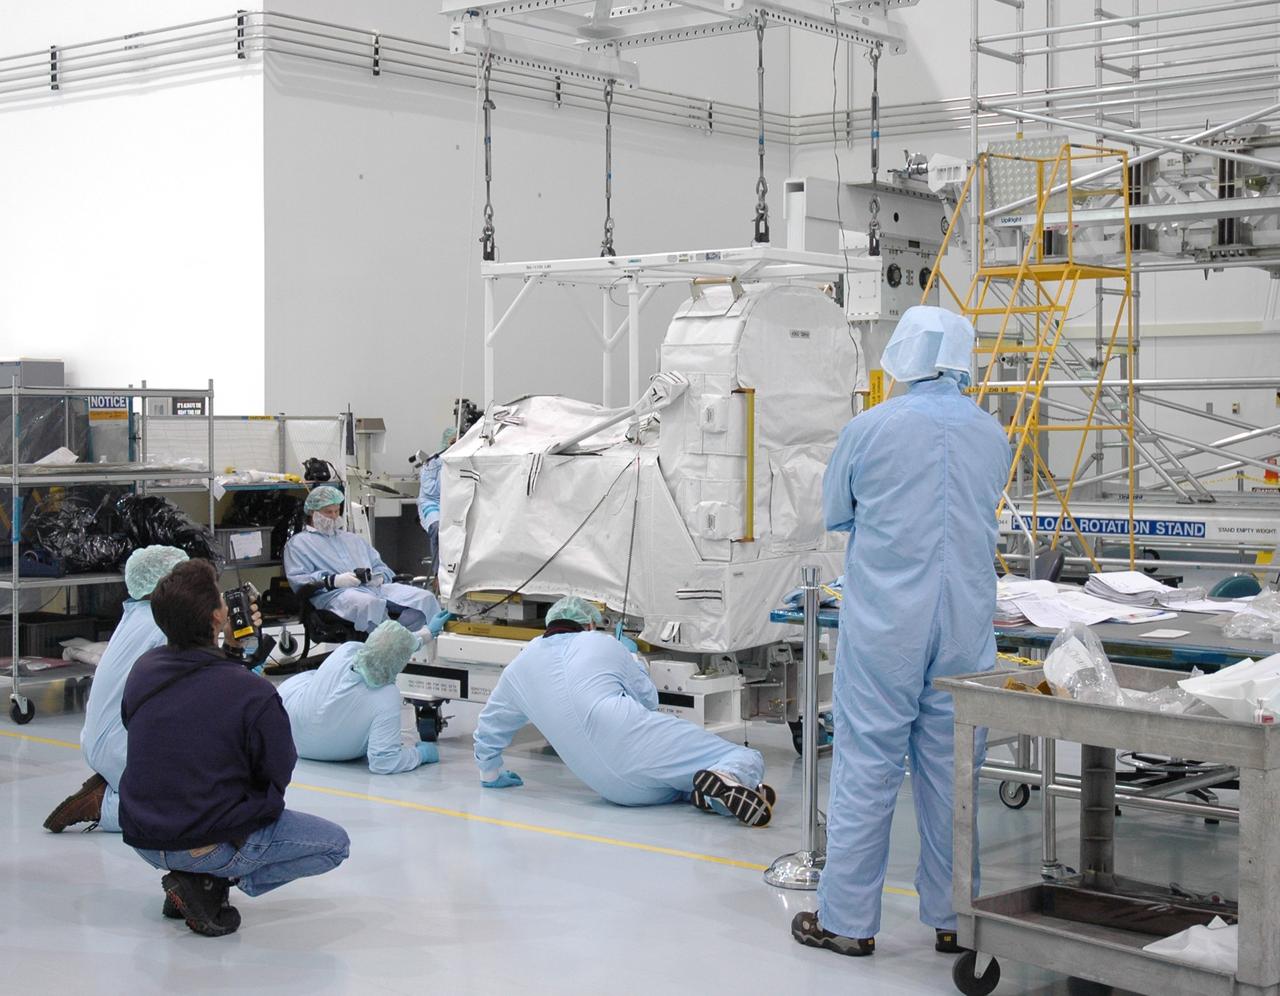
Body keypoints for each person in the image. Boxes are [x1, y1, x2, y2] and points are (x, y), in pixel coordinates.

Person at [791, 306, 1012, 957]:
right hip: (965, 627)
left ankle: (848, 922)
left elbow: (838, 513)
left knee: (868, 763)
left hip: (887, 625)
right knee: (953, 773)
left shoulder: (869, 429)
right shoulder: (990, 433)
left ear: (902, 355)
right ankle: (955, 917)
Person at [119, 559, 350, 937]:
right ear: (216, 617)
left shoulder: (144, 669)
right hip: (201, 842)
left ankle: (191, 878)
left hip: (143, 836)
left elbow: (170, 711)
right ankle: (206, 883)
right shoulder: (252, 692)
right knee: (335, 845)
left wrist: (231, 651)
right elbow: (278, 768)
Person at [473, 596, 775, 826]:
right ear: (589, 624)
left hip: (614, 791)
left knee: (679, 784)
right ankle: (730, 776)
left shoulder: (518, 667)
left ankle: (710, 794)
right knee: (745, 756)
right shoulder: (602, 643)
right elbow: (648, 700)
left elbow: (490, 725)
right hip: (635, 742)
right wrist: (631, 657)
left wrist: (491, 772)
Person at [43, 545, 189, 834]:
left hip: (104, 741)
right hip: (122, 749)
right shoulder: (164, 625)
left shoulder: (138, 615)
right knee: (193, 806)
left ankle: (120, 785)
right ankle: (105, 805)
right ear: (165, 584)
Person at [279, 619, 445, 774]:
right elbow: (384, 762)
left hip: (288, 732)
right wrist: (421, 755)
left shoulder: (346, 651)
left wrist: (425, 634)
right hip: (324, 751)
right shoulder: (386, 696)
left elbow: (383, 648)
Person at [284, 485, 442, 637]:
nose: (334, 516)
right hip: (337, 594)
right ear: (313, 512)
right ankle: (386, 645)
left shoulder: (352, 539)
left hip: (375, 588)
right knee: (369, 604)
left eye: (336, 511)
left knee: (424, 599)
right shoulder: (299, 544)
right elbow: (299, 580)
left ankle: (408, 641)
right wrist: (333, 580)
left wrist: (378, 577)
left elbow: (380, 567)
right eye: (328, 512)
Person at [417, 425, 457, 576]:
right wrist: (446, 467)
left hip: (452, 503)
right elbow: (431, 491)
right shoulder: (433, 461)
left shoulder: (462, 460)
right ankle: (437, 575)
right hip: (432, 503)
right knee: (437, 527)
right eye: (453, 442)